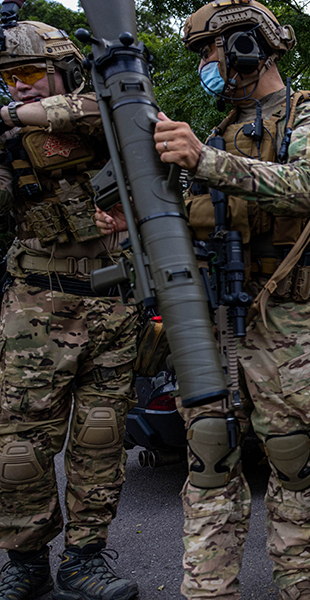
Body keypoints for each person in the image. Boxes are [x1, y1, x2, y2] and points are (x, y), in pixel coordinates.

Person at [96, 2, 310, 598]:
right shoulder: (214, 134)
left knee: (290, 458)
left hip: (284, 316)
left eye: (209, 51)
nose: (206, 64)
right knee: (208, 454)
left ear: (245, 47)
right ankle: (209, 589)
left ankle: (298, 585)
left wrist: (206, 162)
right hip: (213, 317)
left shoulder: (309, 117)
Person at [0, 16, 141, 600]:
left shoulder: (107, 113)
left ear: (66, 69)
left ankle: (84, 556)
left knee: (101, 439)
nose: (21, 87)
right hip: (36, 305)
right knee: (20, 445)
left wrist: (10, 115)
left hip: (111, 303)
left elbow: (93, 112)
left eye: (32, 72)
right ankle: (26, 560)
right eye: (8, 80)